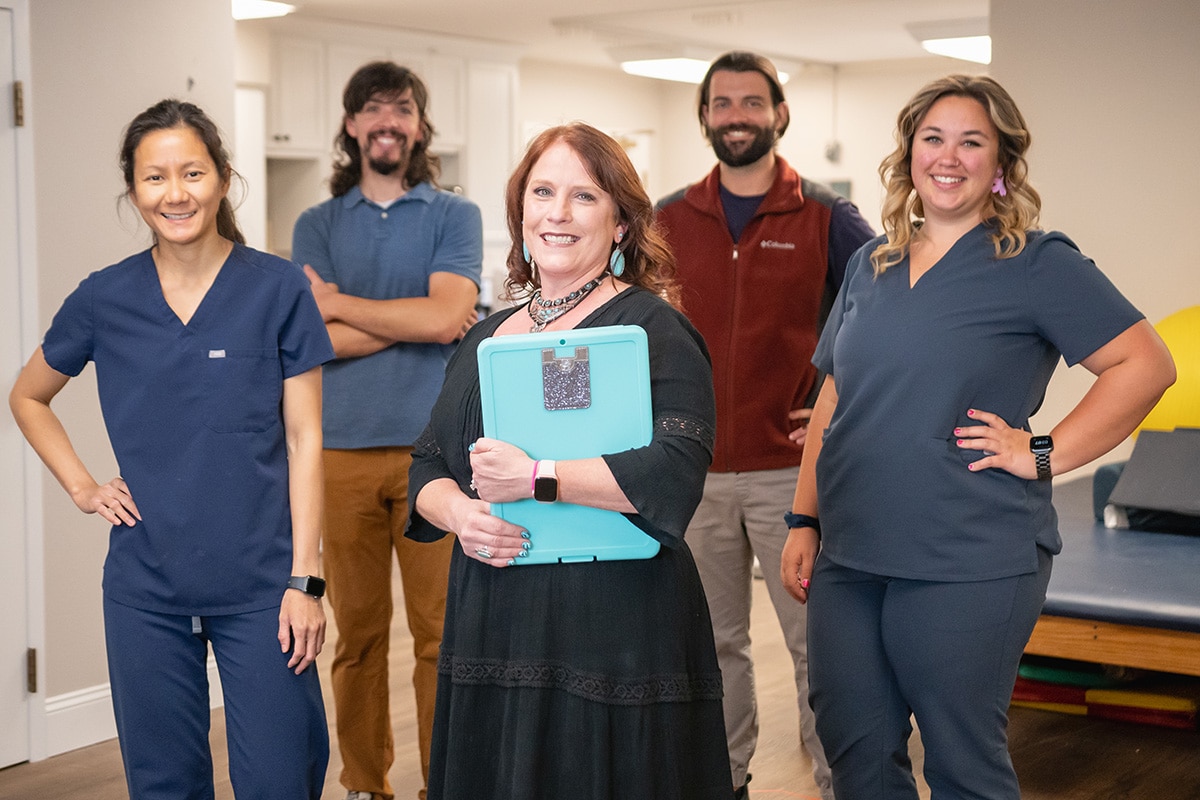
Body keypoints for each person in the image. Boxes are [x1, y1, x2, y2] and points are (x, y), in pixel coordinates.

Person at [781, 74, 1177, 800]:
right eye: (933, 138)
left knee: (962, 760)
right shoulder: (872, 265)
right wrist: (804, 519)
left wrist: (1043, 450)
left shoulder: (1034, 261)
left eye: (972, 141)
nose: (949, 156)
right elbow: (834, 396)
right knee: (857, 755)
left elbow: (1145, 364)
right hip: (851, 554)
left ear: (1001, 163)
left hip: (969, 555)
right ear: (909, 154)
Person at [8, 99, 332, 799]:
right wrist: (83, 487)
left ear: (221, 179)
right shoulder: (104, 297)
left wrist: (306, 580)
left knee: (282, 779)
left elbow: (307, 439)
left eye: (192, 172)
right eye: (155, 178)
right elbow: (28, 395)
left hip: (263, 587)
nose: (175, 193)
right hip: (145, 588)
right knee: (163, 785)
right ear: (133, 190)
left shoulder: (277, 288)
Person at [407, 122, 732, 799]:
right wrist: (463, 514)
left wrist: (535, 478)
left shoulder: (653, 331)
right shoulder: (486, 340)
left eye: (584, 197)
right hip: (497, 615)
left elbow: (674, 468)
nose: (558, 213)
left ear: (619, 224)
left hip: (615, 624)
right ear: (520, 210)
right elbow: (428, 466)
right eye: (543, 191)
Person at [654, 51, 874, 800]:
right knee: (712, 649)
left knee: (821, 647)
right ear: (706, 117)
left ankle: (844, 781)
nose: (737, 115)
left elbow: (885, 316)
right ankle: (725, 782)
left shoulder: (826, 216)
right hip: (695, 471)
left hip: (794, 476)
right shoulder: (667, 219)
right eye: (723, 103)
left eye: (753, 102)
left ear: (780, 114)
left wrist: (849, 399)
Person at [291, 61, 482, 800]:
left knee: (441, 638)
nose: (387, 122)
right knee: (357, 640)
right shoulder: (318, 223)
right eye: (372, 110)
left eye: (401, 109)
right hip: (335, 457)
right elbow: (315, 340)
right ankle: (367, 786)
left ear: (420, 126)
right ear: (350, 126)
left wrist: (342, 301)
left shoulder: (451, 216)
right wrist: (417, 319)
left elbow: (445, 319)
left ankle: (447, 783)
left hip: (434, 459)